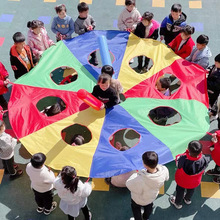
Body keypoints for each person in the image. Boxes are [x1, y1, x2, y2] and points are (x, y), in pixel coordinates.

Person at [126, 151, 169, 220]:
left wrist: (135, 174)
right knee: (149, 207)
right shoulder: (164, 171)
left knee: (136, 208)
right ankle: (145, 218)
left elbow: (128, 184)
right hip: (151, 197)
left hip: (137, 199)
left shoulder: (140, 179)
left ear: (145, 165)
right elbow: (167, 178)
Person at [169, 141, 210, 209]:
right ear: (200, 151)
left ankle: (178, 203)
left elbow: (177, 164)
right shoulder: (204, 159)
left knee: (180, 191)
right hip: (195, 182)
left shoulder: (182, 159)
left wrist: (185, 154)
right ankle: (187, 199)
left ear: (188, 149)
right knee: (191, 190)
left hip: (182, 181)